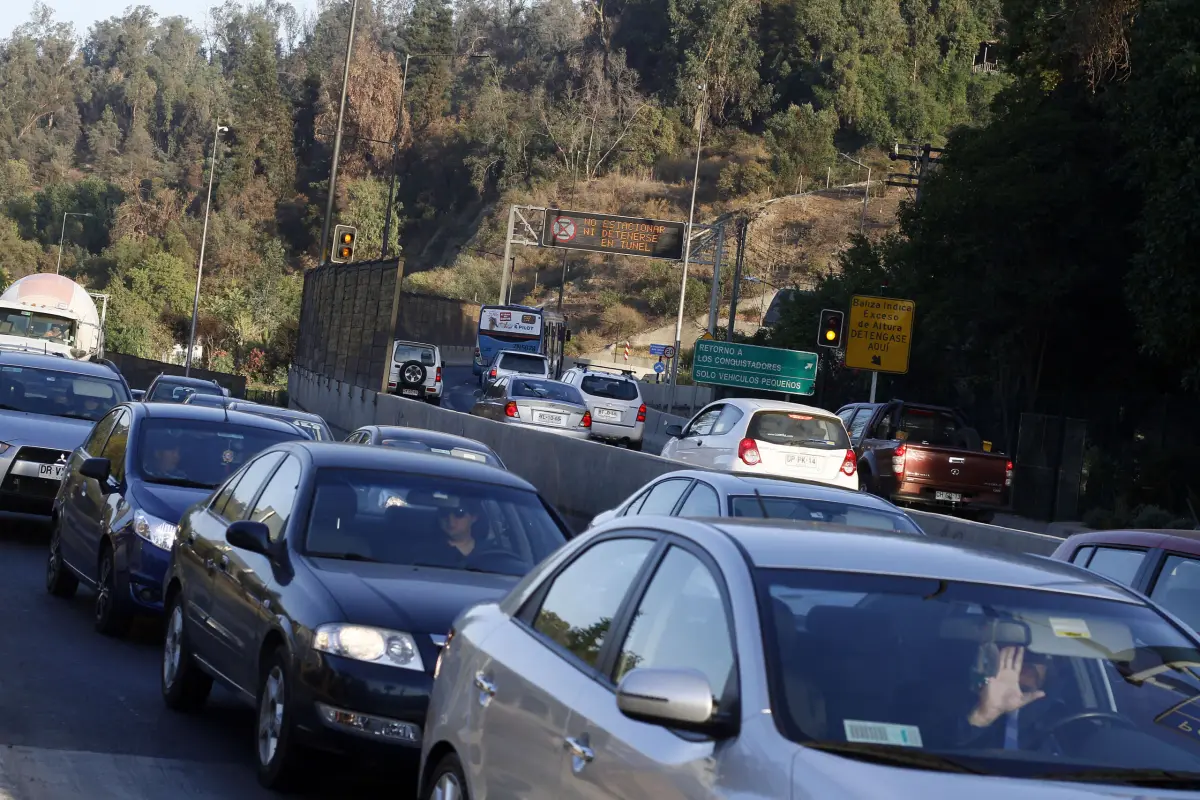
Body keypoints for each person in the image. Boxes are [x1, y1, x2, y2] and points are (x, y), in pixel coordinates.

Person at [953, 645, 1059, 751]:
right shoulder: (961, 702)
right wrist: (983, 717)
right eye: (1024, 659)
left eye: (1038, 656)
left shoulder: (1056, 714)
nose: (1025, 665)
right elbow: (952, 750)